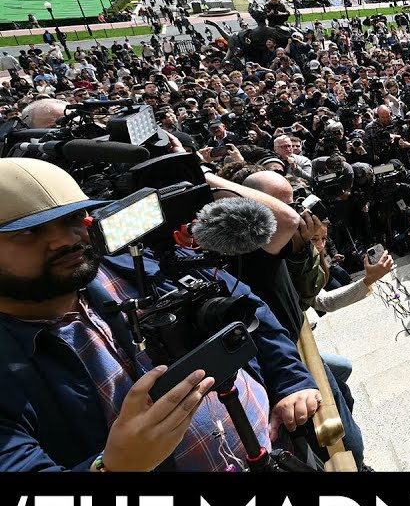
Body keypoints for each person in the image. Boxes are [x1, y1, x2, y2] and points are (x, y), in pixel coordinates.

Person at [0, 159, 319, 471]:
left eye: (72, 219)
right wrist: (113, 467)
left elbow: (247, 308)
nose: (65, 239)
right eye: (30, 232)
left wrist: (291, 380)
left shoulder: (133, 263)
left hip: (282, 450)